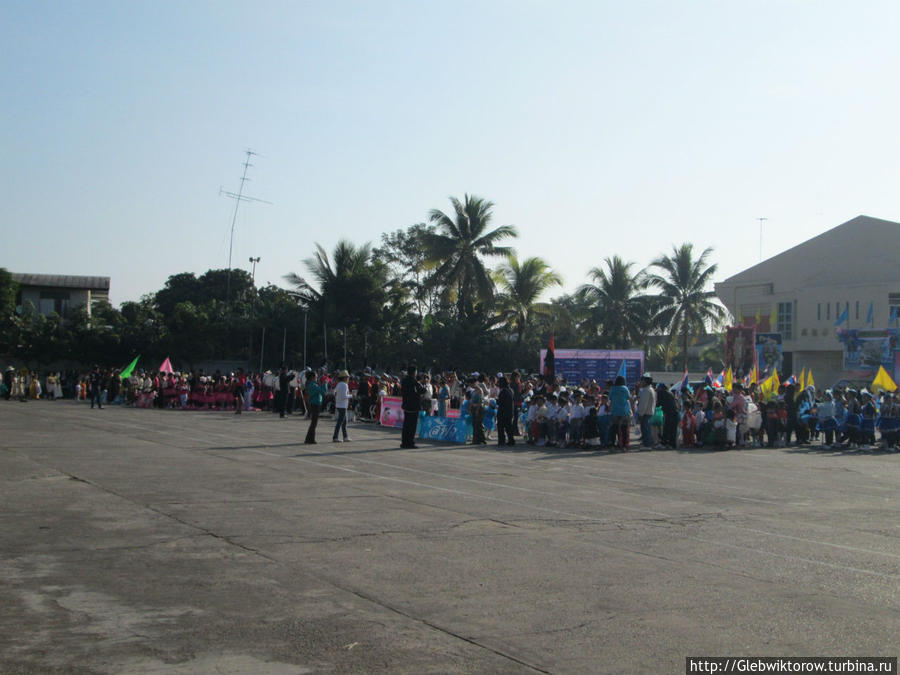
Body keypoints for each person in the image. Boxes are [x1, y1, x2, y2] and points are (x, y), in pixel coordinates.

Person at [401, 365, 424, 449]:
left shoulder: (404, 380)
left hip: (406, 405)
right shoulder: (414, 381)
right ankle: (410, 442)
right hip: (413, 406)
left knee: (406, 425)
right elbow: (421, 391)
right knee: (412, 426)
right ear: (414, 372)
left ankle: (404, 442)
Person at [609, 375, 632, 450]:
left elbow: (610, 398)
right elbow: (628, 397)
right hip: (624, 411)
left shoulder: (612, 389)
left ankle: (612, 444)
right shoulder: (625, 389)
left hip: (614, 411)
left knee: (614, 429)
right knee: (624, 429)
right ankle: (624, 445)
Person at [304, 370, 327, 444]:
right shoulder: (312, 385)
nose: (317, 378)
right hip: (315, 405)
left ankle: (309, 438)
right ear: (312, 377)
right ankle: (310, 439)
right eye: (316, 377)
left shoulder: (312, 384)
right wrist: (325, 383)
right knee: (314, 423)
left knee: (313, 423)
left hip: (314, 404)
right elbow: (323, 391)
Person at [637, 376, 656, 448]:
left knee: (645, 429)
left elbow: (643, 404)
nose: (641, 382)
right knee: (647, 429)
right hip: (649, 412)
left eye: (643, 381)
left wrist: (640, 414)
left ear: (646, 382)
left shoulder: (646, 390)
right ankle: (647, 443)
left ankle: (647, 445)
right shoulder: (651, 389)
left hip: (645, 413)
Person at [332, 370, 351, 442]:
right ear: (345, 378)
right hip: (343, 405)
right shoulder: (345, 385)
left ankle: (345, 436)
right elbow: (344, 396)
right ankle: (335, 437)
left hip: (339, 404)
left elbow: (334, 392)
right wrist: (352, 396)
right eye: (347, 377)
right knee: (340, 422)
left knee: (344, 422)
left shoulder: (339, 384)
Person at [496, 376, 515, 446]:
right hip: (510, 411)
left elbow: (500, 402)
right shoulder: (510, 390)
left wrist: (496, 400)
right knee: (508, 427)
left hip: (502, 411)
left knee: (500, 427)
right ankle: (511, 440)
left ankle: (501, 440)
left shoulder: (503, 391)